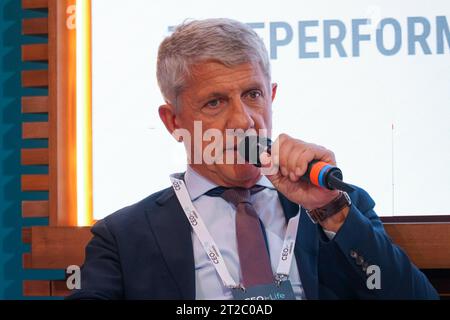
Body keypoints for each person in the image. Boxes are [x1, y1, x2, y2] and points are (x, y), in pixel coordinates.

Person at [68, 18, 438, 300]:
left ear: (272, 96)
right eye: (215, 102)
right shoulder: (123, 236)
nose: (243, 120)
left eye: (253, 95)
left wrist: (329, 211)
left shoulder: (338, 204)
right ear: (174, 121)